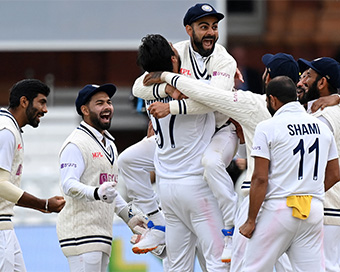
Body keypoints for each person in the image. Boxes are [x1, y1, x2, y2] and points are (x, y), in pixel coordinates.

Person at [143, 52, 299, 272]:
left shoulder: (252, 103)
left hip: (262, 203)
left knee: (240, 266)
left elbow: (207, 95)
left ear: (268, 78)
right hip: (301, 204)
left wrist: (168, 79)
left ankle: (229, 226)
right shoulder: (309, 113)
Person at [129, 3, 238, 263]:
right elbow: (137, 86)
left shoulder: (224, 59)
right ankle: (156, 223)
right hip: (184, 166)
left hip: (222, 130)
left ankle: (233, 230)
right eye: (204, 27)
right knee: (128, 161)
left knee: (211, 163)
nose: (211, 32)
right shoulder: (174, 52)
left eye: (214, 27)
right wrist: (167, 90)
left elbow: (215, 101)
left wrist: (172, 107)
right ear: (189, 30)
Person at [239, 76, 340, 271]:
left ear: (273, 100)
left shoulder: (267, 127)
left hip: (279, 209)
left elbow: (260, 178)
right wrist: (309, 192)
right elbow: (335, 173)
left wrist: (251, 221)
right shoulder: (320, 125)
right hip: (313, 209)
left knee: (251, 268)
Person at [56, 83, 149, 272]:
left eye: (109, 102)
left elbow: (109, 193)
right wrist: (97, 192)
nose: (107, 107)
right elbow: (68, 184)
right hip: (81, 234)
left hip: (102, 234)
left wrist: (130, 217)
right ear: (85, 110)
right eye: (99, 103)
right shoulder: (76, 143)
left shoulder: (109, 144)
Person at [0, 79, 66, 272]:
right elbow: (1, 185)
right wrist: (43, 204)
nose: (45, 110)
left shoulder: (10, 128)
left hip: (5, 226)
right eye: (41, 102)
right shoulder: (6, 131)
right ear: (24, 102)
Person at [297, 57, 340, 272]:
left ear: (322, 82)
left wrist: (311, 197)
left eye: (307, 76)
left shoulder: (325, 116)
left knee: (327, 267)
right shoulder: (314, 112)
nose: (301, 81)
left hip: (328, 206)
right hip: (325, 206)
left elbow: (332, 171)